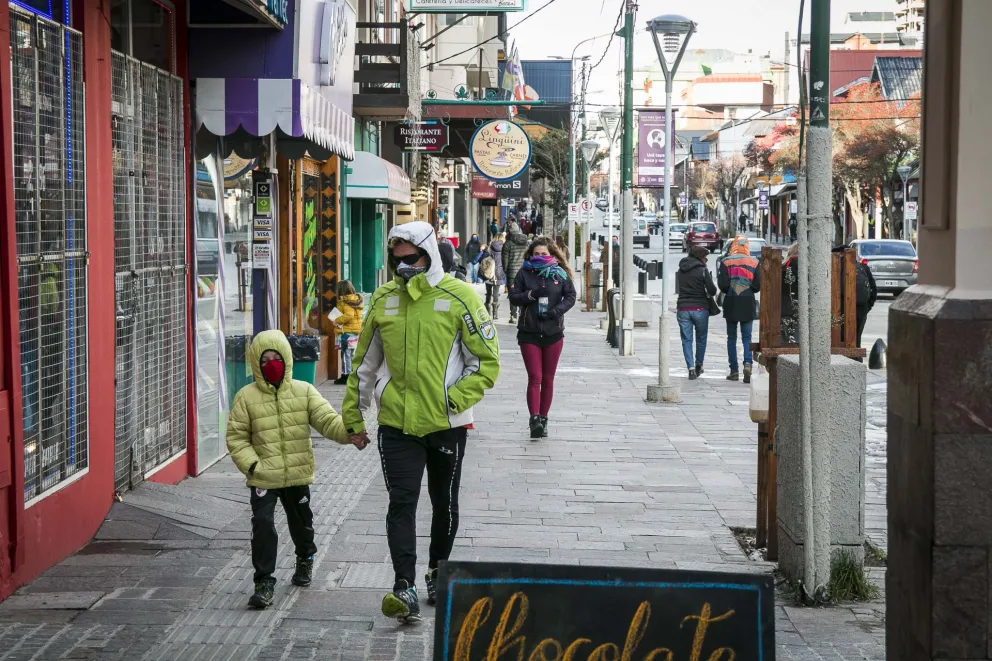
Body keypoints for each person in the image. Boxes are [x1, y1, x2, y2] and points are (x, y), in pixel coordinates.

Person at [342, 222, 500, 623]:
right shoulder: (383, 300)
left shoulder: (461, 297)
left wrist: (453, 399)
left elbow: (486, 361)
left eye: (410, 259)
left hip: (447, 424)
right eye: (396, 260)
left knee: (444, 502)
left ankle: (437, 570)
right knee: (402, 502)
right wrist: (354, 416)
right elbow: (363, 364)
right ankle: (404, 586)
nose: (403, 267)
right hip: (396, 425)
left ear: (428, 255)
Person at [226, 330, 352, 609]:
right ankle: (264, 582)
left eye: (276, 358)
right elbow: (236, 438)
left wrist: (351, 433)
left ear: (287, 359)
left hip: (296, 473)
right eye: (264, 360)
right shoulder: (246, 397)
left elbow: (327, 420)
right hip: (264, 476)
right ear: (255, 363)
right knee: (262, 525)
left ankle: (305, 558)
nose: (271, 364)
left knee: (301, 523)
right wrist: (253, 465)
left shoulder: (304, 391)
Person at [508, 237, 577, 439]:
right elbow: (514, 297)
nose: (540, 257)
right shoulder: (524, 272)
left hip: (553, 332)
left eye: (543, 254)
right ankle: (534, 419)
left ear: (551, 254)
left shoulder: (560, 273)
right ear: (530, 255)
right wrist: (531, 294)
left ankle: (544, 419)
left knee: (548, 379)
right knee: (535, 377)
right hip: (529, 332)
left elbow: (571, 296)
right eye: (536, 254)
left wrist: (556, 312)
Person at [717, 236, 761, 383]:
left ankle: (734, 370)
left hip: (731, 301)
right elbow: (757, 285)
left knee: (731, 337)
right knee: (747, 337)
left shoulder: (726, 261)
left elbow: (723, 285)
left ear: (734, 245)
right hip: (747, 301)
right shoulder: (754, 262)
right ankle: (748, 364)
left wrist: (731, 288)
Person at [676, 246, 717, 380]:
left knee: (686, 340)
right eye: (705, 257)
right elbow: (712, 291)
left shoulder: (681, 270)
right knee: (701, 339)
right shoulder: (703, 270)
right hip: (700, 308)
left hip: (683, 308)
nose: (706, 260)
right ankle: (699, 364)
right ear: (700, 257)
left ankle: (691, 368)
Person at [832, 244, 877, 346]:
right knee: (856, 340)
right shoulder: (863, 267)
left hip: (839, 310)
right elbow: (873, 291)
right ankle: (856, 355)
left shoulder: (835, 268)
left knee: (838, 340)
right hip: (861, 309)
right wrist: (866, 307)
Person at [331, 280, 363, 385]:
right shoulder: (355, 300)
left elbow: (349, 315)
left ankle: (346, 376)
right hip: (353, 331)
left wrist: (337, 320)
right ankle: (353, 375)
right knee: (351, 355)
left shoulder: (345, 301)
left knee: (345, 354)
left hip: (347, 331)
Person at [501, 216, 530, 324]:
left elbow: (505, 260)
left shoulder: (508, 244)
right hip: (524, 272)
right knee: (523, 293)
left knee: (513, 294)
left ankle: (513, 315)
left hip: (512, 273)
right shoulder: (526, 243)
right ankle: (522, 314)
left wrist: (505, 270)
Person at [481, 235, 506, 319]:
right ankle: (495, 314)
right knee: (496, 293)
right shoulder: (504, 248)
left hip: (488, 272)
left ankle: (487, 312)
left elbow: (483, 259)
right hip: (498, 273)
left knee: (488, 292)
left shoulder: (489, 248)